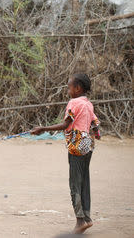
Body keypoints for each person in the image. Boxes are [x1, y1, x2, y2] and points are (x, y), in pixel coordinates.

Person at [31, 73, 100, 234]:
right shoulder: (88, 104)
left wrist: (43, 129)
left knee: (74, 184)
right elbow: (95, 123)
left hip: (76, 146)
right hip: (88, 145)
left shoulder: (74, 103)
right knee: (84, 182)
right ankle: (87, 218)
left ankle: (80, 221)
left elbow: (65, 124)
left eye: (69, 87)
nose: (68, 90)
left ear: (78, 88)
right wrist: (95, 133)